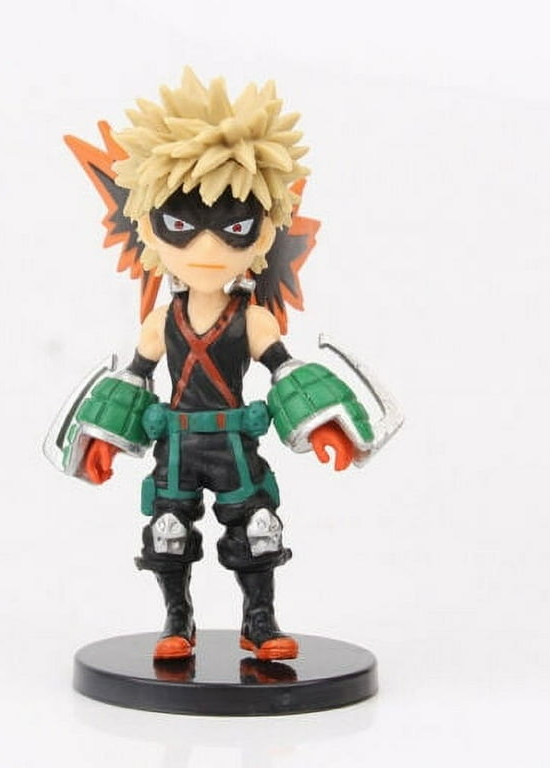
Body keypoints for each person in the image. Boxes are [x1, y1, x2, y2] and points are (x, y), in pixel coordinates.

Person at [58, 69, 376, 661]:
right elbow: (134, 377)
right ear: (148, 227)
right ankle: (177, 620)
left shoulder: (253, 320)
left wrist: (324, 423)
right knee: (168, 534)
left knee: (258, 530)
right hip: (176, 444)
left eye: (234, 227)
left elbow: (287, 373)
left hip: (234, 443)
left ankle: (260, 620)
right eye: (180, 225)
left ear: (264, 234)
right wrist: (100, 437)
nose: (207, 248)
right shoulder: (160, 321)